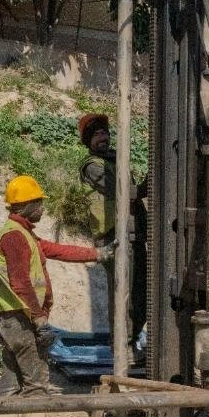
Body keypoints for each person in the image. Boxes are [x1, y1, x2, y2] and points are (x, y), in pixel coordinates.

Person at [0, 174, 102, 417]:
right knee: (37, 384)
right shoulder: (15, 237)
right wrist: (38, 317)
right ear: (26, 205)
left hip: (11, 320)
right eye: (39, 203)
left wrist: (97, 254)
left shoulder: (22, 233)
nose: (42, 208)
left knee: (11, 383)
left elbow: (56, 250)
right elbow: (20, 282)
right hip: (22, 321)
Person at [78, 113, 146, 353]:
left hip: (132, 232)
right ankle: (121, 345)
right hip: (112, 237)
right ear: (88, 141)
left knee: (141, 291)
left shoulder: (117, 159)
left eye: (105, 133)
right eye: (96, 135)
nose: (103, 138)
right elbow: (120, 191)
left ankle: (132, 339)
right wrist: (143, 188)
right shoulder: (92, 167)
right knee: (122, 290)